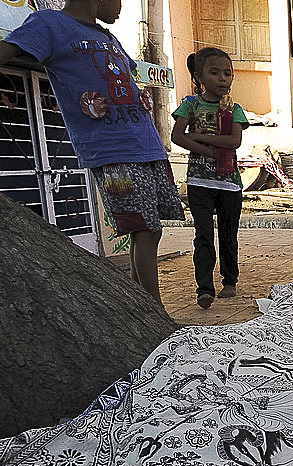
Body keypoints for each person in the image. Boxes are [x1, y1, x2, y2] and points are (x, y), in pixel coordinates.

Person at [0, 0, 183, 306]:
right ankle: (155, 310)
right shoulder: (48, 24)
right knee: (144, 229)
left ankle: (143, 307)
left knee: (151, 230)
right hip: (112, 151)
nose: (122, 6)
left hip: (147, 145)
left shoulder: (109, 38)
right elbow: (8, 50)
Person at [170, 47, 248, 309]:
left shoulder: (234, 108)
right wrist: (211, 151)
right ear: (199, 76)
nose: (222, 78)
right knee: (203, 236)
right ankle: (204, 288)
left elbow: (234, 141)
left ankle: (230, 280)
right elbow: (177, 136)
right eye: (215, 73)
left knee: (228, 234)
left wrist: (201, 137)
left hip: (229, 183)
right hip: (199, 182)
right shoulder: (190, 105)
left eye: (227, 73)